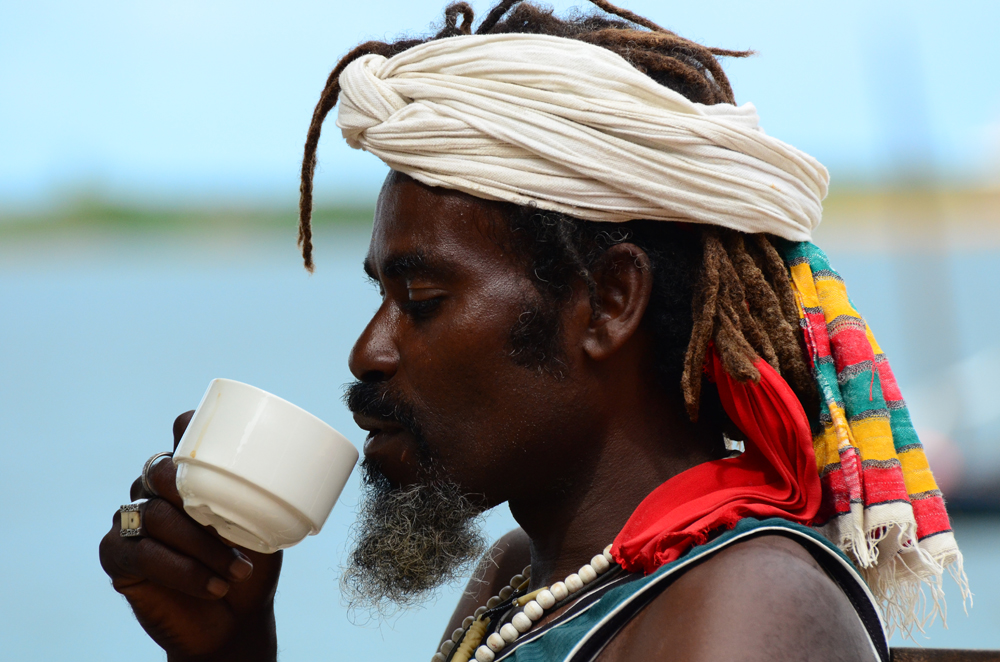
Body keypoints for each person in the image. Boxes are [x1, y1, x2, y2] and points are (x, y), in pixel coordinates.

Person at [99, 2, 967, 661]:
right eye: (381, 296)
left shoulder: (746, 608)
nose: (370, 350)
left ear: (609, 301)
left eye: (424, 297)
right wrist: (235, 647)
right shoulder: (525, 574)